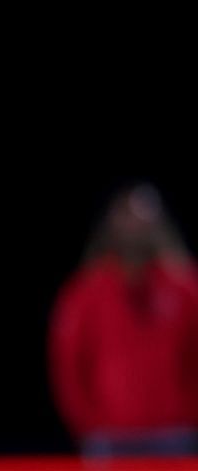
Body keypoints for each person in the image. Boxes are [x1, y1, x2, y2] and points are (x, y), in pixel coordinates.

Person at [49, 182, 198, 457]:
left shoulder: (184, 286)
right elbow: (68, 366)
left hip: (173, 435)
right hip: (109, 437)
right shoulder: (85, 292)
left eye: (142, 220)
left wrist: (187, 416)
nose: (135, 228)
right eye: (127, 218)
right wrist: (90, 425)